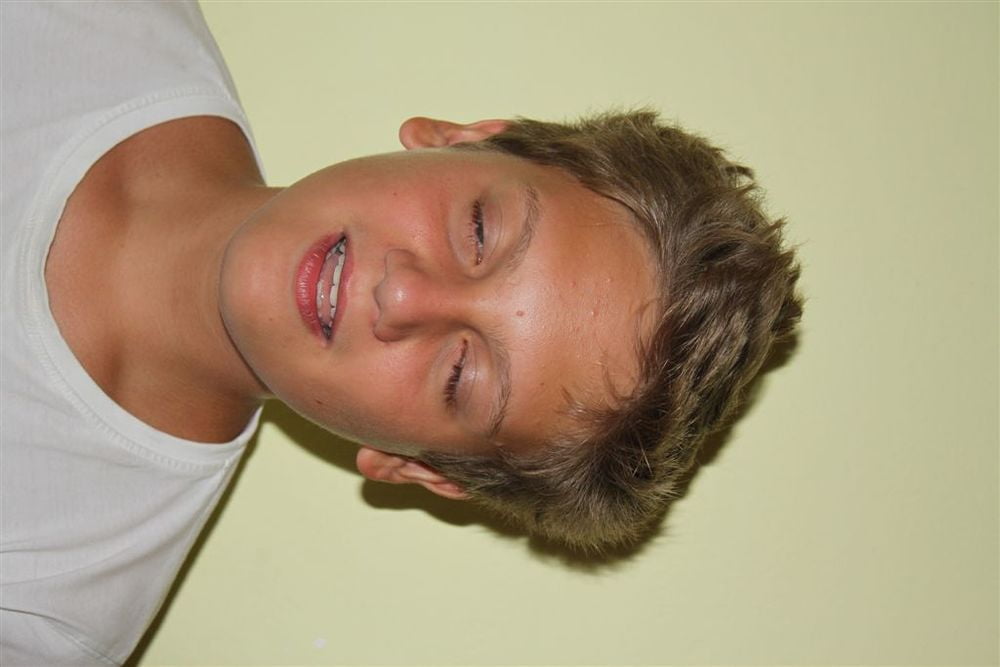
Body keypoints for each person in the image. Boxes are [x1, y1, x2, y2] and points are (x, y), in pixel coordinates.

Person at [0, 1, 801, 665]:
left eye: (460, 375)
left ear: (417, 468)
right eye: (479, 231)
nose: (405, 293)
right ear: (461, 138)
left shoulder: (43, 612)